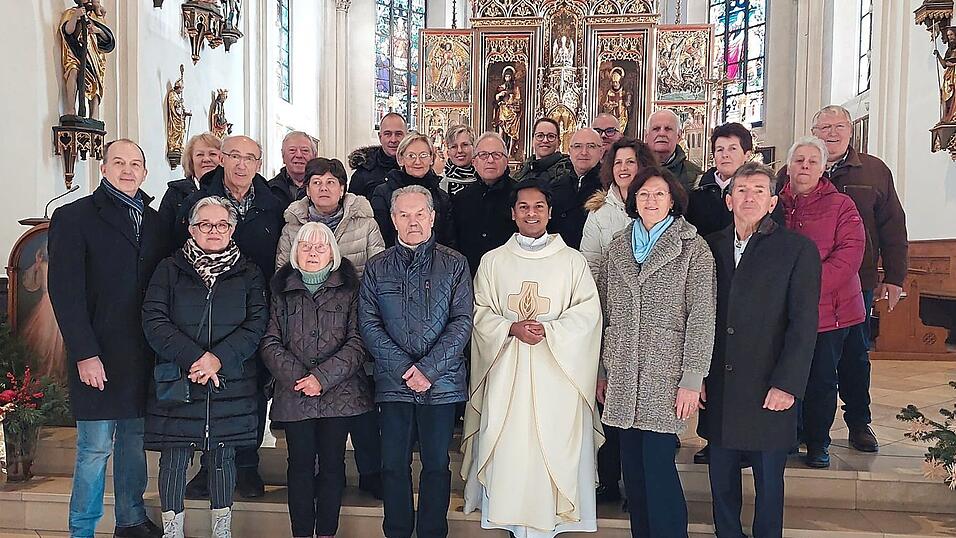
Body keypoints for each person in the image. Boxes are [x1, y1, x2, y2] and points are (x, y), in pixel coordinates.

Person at [462, 179, 604, 537]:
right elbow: (478, 313)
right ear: (512, 214)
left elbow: (589, 315)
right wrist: (510, 328)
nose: (531, 213)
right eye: (523, 207)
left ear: (550, 212)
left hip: (558, 376)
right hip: (506, 375)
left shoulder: (572, 261)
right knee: (511, 449)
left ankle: (554, 520)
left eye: (539, 206)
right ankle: (509, 518)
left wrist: (550, 331)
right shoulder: (493, 261)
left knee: (552, 446)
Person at [48, 139, 167, 538]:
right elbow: (65, 291)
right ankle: (82, 529)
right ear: (103, 168)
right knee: (95, 447)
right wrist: (84, 353)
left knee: (133, 444)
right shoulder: (74, 217)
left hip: (141, 355)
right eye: (119, 162)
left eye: (135, 164)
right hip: (97, 354)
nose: (127, 170)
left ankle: (130, 519)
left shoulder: (155, 223)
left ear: (145, 173)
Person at [778, 105, 908, 454]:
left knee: (854, 357)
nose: (832, 133)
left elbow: (893, 225)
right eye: (824, 127)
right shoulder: (786, 176)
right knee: (803, 360)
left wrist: (895, 276)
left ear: (851, 131)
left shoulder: (874, 170)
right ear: (814, 132)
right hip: (795, 290)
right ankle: (800, 429)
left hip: (856, 282)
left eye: (839, 126)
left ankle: (858, 422)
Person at [701, 162, 821, 538]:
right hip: (721, 382)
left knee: (768, 483)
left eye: (758, 190)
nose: (749, 197)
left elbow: (803, 324)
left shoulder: (796, 249)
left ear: (772, 202)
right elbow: (696, 315)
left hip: (769, 383)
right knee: (721, 480)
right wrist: (697, 374)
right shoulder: (709, 247)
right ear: (729, 200)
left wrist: (787, 383)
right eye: (741, 190)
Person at [596, 166, 715, 538]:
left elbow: (702, 316)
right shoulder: (618, 246)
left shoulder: (692, 247)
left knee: (658, 468)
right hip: (621, 370)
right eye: (644, 193)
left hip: (665, 374)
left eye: (659, 194)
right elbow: (604, 312)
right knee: (632, 471)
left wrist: (692, 379)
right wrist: (601, 370)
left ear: (672, 200)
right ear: (633, 200)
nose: (651, 200)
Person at [142, 196, 268, 538]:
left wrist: (218, 358)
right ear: (191, 228)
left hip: (229, 379)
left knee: (223, 457)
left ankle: (221, 530)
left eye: (222, 224)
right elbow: (154, 319)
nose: (214, 231)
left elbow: (257, 323)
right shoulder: (169, 269)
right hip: (180, 376)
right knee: (174, 457)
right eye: (205, 224)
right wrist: (194, 358)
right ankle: (172, 531)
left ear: (233, 229)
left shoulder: (249, 272)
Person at [358, 186, 474, 538]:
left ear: (432, 217)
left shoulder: (454, 263)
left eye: (420, 214)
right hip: (394, 383)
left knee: (437, 464)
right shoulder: (377, 266)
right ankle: (397, 531)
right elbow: (369, 323)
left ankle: (432, 532)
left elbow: (462, 322)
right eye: (404, 215)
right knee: (393, 465)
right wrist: (403, 369)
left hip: (441, 383)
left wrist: (429, 370)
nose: (413, 222)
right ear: (393, 219)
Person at [176, 134, 285, 499]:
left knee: (250, 391)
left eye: (249, 158)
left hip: (256, 309)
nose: (241, 164)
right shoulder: (195, 202)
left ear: (259, 164)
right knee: (209, 392)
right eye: (234, 156)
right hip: (205, 311)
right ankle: (209, 467)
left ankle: (247, 466)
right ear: (221, 159)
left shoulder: (274, 205)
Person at [274, 157, 385, 499]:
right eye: (316, 182)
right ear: (306, 189)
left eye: (331, 182)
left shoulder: (365, 222)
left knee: (360, 412)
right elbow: (283, 276)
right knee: (305, 453)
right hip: (304, 327)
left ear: (343, 188)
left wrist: (355, 305)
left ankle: (370, 473)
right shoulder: (293, 226)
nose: (324, 188)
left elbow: (378, 270)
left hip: (353, 318)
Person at [261, 222, 373, 538]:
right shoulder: (280, 288)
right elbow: (269, 340)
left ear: (332, 253)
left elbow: (358, 342)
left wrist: (321, 378)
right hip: (294, 393)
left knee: (332, 465)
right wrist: (301, 378)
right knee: (299, 466)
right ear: (295, 252)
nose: (312, 252)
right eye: (306, 246)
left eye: (320, 247)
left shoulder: (351, 289)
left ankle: (326, 532)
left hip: (340, 394)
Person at [778, 136, 866, 469]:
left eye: (812, 161)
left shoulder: (841, 205)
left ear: (823, 168)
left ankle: (818, 442)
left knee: (821, 379)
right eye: (799, 160)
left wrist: (805, 289)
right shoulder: (774, 202)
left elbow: (849, 255)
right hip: (784, 311)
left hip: (831, 310)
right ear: (788, 166)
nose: (804, 166)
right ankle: (788, 437)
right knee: (785, 376)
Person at [580, 138, 657, 275]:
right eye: (618, 163)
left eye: (630, 162)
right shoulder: (599, 212)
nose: (623, 168)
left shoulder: (660, 207)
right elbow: (590, 262)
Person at [370, 132, 457, 248]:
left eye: (423, 155)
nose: (417, 161)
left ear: (431, 159)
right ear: (401, 159)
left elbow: (449, 240)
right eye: (411, 156)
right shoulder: (383, 193)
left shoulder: (442, 197)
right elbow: (381, 237)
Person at [451, 132, 517, 276]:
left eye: (496, 155)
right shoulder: (461, 198)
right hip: (470, 274)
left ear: (506, 161)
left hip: (509, 275)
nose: (490, 160)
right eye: (483, 155)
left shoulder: (519, 196)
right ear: (474, 162)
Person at [685, 122, 753, 238]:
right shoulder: (697, 190)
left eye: (732, 149)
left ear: (747, 154)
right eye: (720, 149)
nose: (725, 155)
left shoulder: (759, 192)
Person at [547, 128, 605, 249]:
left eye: (591, 146)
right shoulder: (555, 186)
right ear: (570, 151)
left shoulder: (609, 187)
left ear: (601, 152)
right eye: (578, 146)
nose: (584, 152)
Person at [159, 132, 222, 238]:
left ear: (223, 159)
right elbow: (162, 234)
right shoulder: (175, 192)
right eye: (200, 155)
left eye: (212, 154)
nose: (206, 159)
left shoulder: (230, 190)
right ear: (191, 161)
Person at [348, 112, 407, 198]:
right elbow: (352, 204)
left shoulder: (417, 167)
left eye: (398, 134)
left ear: (406, 136)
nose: (393, 140)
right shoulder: (363, 173)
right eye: (388, 134)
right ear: (380, 137)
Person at [644, 109, 702, 192]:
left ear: (679, 136)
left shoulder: (695, 176)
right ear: (646, 135)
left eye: (668, 129)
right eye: (656, 129)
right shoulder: (633, 168)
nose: (662, 133)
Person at [268, 130, 318, 209]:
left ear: (315, 156)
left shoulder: (326, 189)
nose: (299, 155)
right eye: (292, 150)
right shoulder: (269, 189)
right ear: (283, 156)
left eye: (305, 150)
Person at [514, 118, 572, 184]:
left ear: (559, 142)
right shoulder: (523, 171)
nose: (545, 140)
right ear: (532, 140)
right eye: (540, 136)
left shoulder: (566, 172)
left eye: (551, 136)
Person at [440, 124, 477, 196]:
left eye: (465, 145)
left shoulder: (485, 180)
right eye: (454, 146)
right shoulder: (439, 184)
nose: (459, 150)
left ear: (474, 148)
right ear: (448, 152)